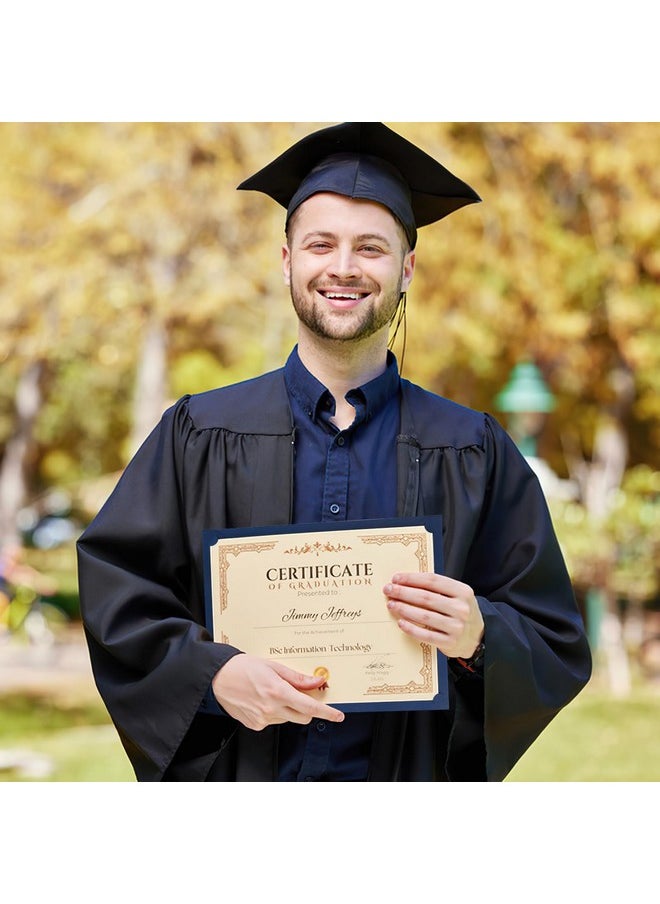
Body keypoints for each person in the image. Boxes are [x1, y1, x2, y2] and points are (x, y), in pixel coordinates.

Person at [77, 122, 592, 781]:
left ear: (406, 269)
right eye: (321, 244)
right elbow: (120, 594)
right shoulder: (197, 433)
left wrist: (479, 636)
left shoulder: (472, 450)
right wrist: (213, 675)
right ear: (287, 260)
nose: (343, 267)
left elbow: (553, 637)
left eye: (371, 248)